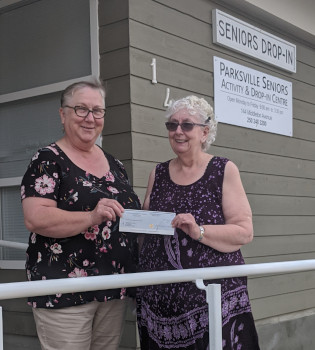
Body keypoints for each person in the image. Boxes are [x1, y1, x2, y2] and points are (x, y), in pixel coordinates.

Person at [21, 79, 141, 350]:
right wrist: (90, 217)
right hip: (64, 290)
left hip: (113, 288)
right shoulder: (47, 160)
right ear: (63, 114)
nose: (90, 118)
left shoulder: (115, 164)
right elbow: (36, 217)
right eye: (81, 109)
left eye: (97, 111)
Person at [136, 95, 260, 349]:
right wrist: (130, 219)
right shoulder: (157, 173)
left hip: (211, 299)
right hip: (160, 304)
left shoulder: (223, 170)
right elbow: (147, 227)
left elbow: (244, 231)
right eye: (172, 125)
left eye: (186, 125)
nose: (178, 131)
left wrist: (199, 231)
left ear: (205, 132)